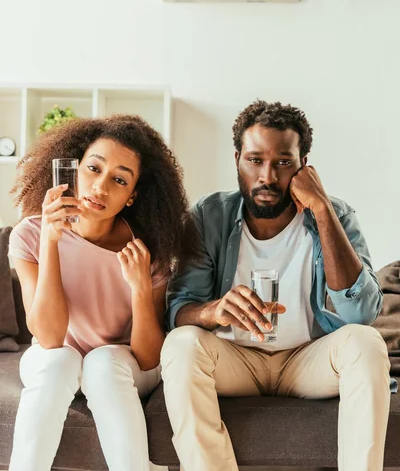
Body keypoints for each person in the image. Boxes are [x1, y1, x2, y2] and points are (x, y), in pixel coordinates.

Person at [161, 100, 391, 471]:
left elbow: (360, 314)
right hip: (237, 359)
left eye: (283, 162)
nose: (267, 176)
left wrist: (322, 210)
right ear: (237, 159)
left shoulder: (336, 214)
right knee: (181, 344)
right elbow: (178, 310)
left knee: (366, 343)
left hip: (307, 359)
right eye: (254, 160)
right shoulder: (209, 215)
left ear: (304, 166)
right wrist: (214, 310)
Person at [8, 114, 198, 471]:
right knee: (61, 359)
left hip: (119, 364)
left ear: (131, 196)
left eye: (119, 179)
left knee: (102, 362)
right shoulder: (30, 234)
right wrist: (51, 241)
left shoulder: (145, 251)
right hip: (55, 357)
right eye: (94, 169)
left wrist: (141, 288)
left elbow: (146, 358)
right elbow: (48, 337)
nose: (100, 187)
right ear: (75, 169)